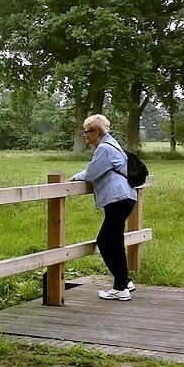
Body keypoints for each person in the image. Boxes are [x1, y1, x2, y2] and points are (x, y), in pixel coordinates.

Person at [71, 113, 138, 300]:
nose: (84, 135)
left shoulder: (104, 149)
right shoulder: (112, 145)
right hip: (125, 197)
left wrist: (76, 176)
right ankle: (125, 282)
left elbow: (91, 173)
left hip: (117, 199)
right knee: (115, 241)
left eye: (87, 131)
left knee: (105, 241)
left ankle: (120, 288)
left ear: (97, 132)